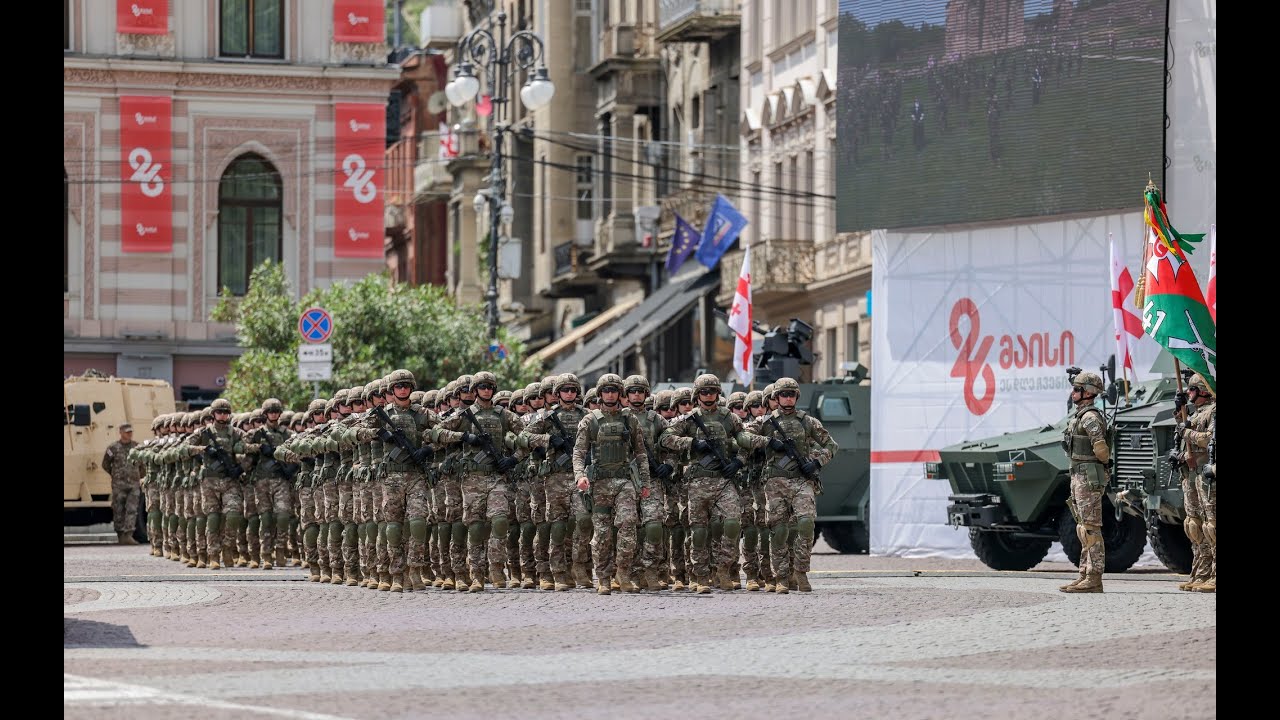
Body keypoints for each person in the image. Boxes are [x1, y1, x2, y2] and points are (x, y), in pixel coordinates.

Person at [659, 374, 755, 593]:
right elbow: (666, 438)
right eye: (704, 392)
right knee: (699, 531)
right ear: (697, 395)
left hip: (723, 480)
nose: (708, 395)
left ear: (718, 393)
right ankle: (701, 576)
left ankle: (723, 567)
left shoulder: (729, 417)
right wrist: (692, 443)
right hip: (696, 483)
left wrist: (738, 461)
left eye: (712, 391)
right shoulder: (689, 419)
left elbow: (745, 440)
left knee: (732, 523)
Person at [742, 377, 837, 593]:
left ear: (796, 397)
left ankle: (800, 572)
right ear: (776, 397)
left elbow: (831, 445)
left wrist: (815, 462)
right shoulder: (765, 423)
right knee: (779, 529)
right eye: (783, 394)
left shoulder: (807, 421)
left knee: (805, 523)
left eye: (791, 394)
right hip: (775, 482)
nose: (787, 398)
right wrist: (767, 442)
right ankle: (781, 577)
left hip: (801, 480)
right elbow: (742, 437)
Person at [431, 370, 522, 591]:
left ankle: (496, 568)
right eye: (483, 387)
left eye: (490, 387)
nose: (487, 390)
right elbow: (435, 433)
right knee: (475, 527)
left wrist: (514, 459)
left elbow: (526, 437)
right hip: (472, 479)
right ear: (475, 391)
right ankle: (476, 574)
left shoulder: (504, 415)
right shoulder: (464, 415)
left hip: (497, 476)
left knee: (500, 521)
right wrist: (464, 437)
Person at [573, 373, 650, 594]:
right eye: (606, 390)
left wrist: (645, 482)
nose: (610, 394)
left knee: (628, 526)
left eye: (614, 390)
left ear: (620, 393)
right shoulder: (590, 420)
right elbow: (578, 453)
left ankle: (623, 572)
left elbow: (641, 453)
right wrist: (580, 476)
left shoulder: (629, 419)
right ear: (600, 394)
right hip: (599, 484)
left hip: (624, 482)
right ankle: (603, 577)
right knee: (602, 534)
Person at [518, 373, 588, 591]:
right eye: (565, 390)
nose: (569, 394)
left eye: (573, 390)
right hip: (555, 478)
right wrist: (548, 439)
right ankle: (556, 572)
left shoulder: (587, 416)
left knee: (582, 522)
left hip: (580, 476)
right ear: (558, 394)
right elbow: (523, 437)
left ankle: (578, 566)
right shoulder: (546, 417)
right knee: (556, 526)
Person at [1059, 371, 1110, 593]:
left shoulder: (1090, 418)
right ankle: (1084, 573)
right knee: (1083, 528)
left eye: (1077, 389)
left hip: (1088, 476)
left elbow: (1102, 451)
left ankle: (1094, 577)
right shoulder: (1080, 416)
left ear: (1088, 393)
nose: (1073, 393)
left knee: (1090, 528)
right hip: (1079, 474)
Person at [1178, 374, 1216, 593]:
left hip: (1207, 475)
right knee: (1194, 526)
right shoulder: (1196, 412)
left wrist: (1187, 433)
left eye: (1191, 390)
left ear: (1203, 390)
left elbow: (1209, 438)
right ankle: (1201, 572)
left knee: (1212, 525)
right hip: (1192, 475)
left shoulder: (1213, 411)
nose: (1188, 394)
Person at [103, 423, 142, 545]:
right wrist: (115, 475)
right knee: (118, 509)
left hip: (133, 485)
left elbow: (143, 465)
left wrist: (137, 475)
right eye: (126, 432)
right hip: (118, 485)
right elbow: (105, 464)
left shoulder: (137, 447)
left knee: (132, 509)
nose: (129, 434)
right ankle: (120, 535)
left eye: (130, 432)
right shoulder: (113, 448)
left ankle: (128, 534)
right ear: (120, 432)